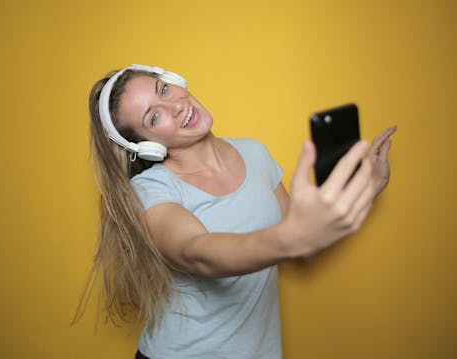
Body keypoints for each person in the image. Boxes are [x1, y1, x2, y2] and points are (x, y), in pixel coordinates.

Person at [73, 64, 396, 359]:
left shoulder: (254, 153)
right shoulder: (151, 190)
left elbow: (305, 244)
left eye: (164, 90)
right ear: (147, 146)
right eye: (154, 118)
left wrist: (368, 186)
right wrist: (294, 237)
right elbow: (199, 253)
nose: (175, 106)